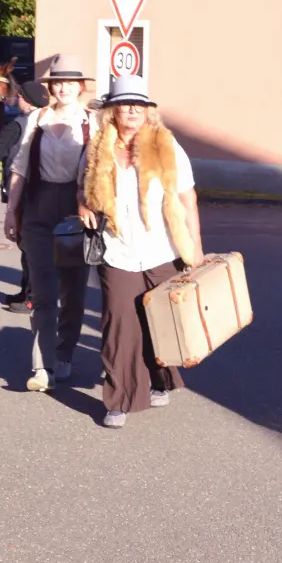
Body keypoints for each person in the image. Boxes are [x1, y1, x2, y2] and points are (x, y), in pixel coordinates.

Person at [79, 75, 205, 429]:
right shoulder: (97, 147)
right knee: (119, 326)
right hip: (117, 249)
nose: (131, 109)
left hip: (160, 249)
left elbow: (187, 198)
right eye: (124, 104)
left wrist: (195, 248)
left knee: (160, 322)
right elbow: (83, 187)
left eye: (138, 104)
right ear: (112, 111)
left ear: (148, 110)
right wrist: (84, 206)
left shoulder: (167, 145)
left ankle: (161, 378)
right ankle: (118, 400)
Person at [3, 56, 96, 393]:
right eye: (58, 82)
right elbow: (20, 168)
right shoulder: (35, 119)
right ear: (50, 87)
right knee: (43, 293)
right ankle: (42, 367)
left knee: (73, 292)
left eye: (71, 82)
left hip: (76, 212)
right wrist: (12, 211)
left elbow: (102, 171)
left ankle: (64, 353)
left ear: (81, 87)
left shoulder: (93, 123)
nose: (64, 87)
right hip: (39, 210)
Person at [0, 80, 52, 313]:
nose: (15, 99)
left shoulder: (22, 123)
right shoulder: (43, 120)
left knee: (30, 246)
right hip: (35, 191)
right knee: (27, 245)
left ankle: (32, 298)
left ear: (26, 100)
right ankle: (26, 291)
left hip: (28, 192)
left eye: (18, 96)